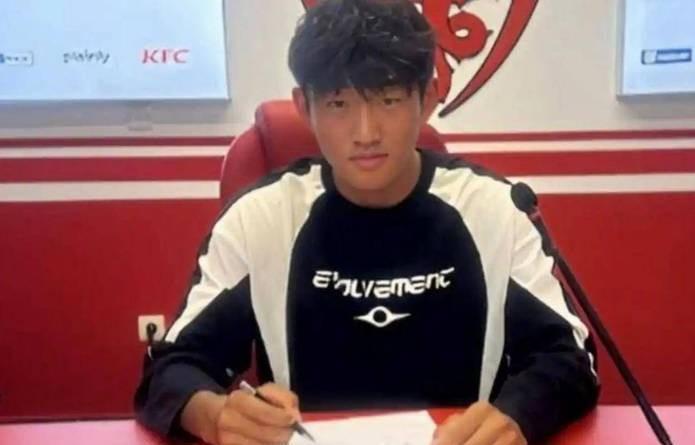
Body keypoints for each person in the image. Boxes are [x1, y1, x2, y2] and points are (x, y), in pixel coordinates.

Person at [134, 1, 600, 444]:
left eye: (389, 100)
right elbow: (169, 370)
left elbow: (571, 358)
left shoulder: (496, 211)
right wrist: (216, 415)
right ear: (304, 107)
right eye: (338, 104)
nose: (366, 133)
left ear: (428, 98)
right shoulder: (258, 221)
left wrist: (516, 416)